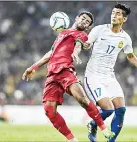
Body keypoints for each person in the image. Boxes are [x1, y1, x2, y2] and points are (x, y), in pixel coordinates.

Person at [22, 11, 115, 142]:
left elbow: (78, 45)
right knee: (49, 111)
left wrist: (76, 53)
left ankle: (104, 129)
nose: (84, 22)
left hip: (65, 70)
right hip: (52, 75)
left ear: (87, 27)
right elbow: (51, 53)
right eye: (83, 18)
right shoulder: (62, 33)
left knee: (82, 99)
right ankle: (72, 140)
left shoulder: (81, 35)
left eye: (87, 22)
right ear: (77, 18)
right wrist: (33, 67)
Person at [81, 4, 137, 142]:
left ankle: (111, 141)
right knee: (108, 109)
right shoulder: (99, 30)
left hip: (109, 76)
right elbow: (88, 42)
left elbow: (130, 56)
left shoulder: (125, 38)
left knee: (121, 109)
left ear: (124, 19)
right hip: (93, 76)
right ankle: (92, 124)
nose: (114, 15)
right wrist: (85, 44)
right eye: (113, 12)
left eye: (118, 13)